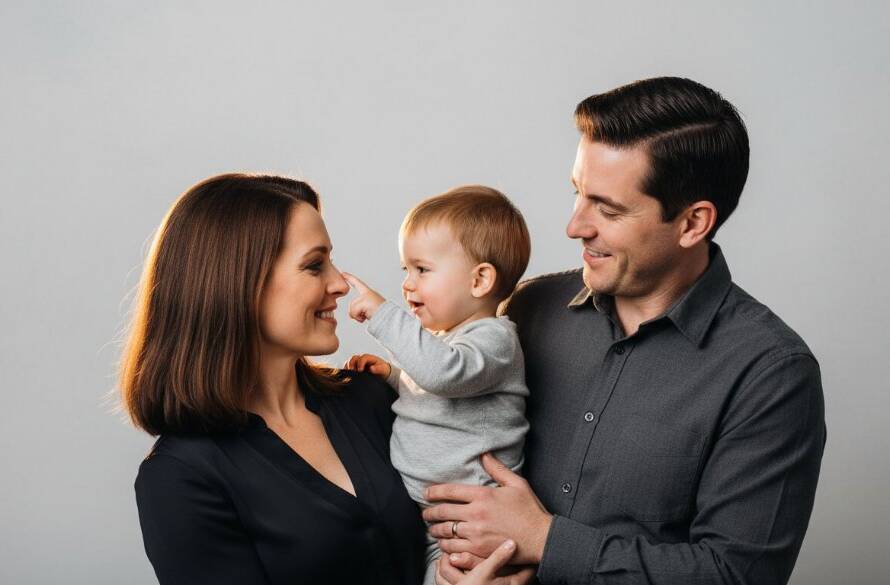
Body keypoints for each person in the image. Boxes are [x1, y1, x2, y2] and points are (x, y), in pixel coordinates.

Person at [424, 77, 826, 585]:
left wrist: (547, 540)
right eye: (578, 194)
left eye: (607, 209)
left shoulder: (769, 373)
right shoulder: (526, 308)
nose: (575, 226)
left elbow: (736, 575)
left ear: (692, 223)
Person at [121, 174, 426, 585]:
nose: (339, 284)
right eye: (314, 265)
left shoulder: (371, 396)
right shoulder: (181, 479)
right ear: (240, 283)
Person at [342, 186, 533, 585]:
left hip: (470, 516)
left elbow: (444, 375)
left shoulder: (494, 339)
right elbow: (439, 391)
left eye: (422, 270)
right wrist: (394, 376)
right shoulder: (448, 341)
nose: (407, 284)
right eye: (404, 271)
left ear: (480, 279)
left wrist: (383, 317)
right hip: (429, 511)